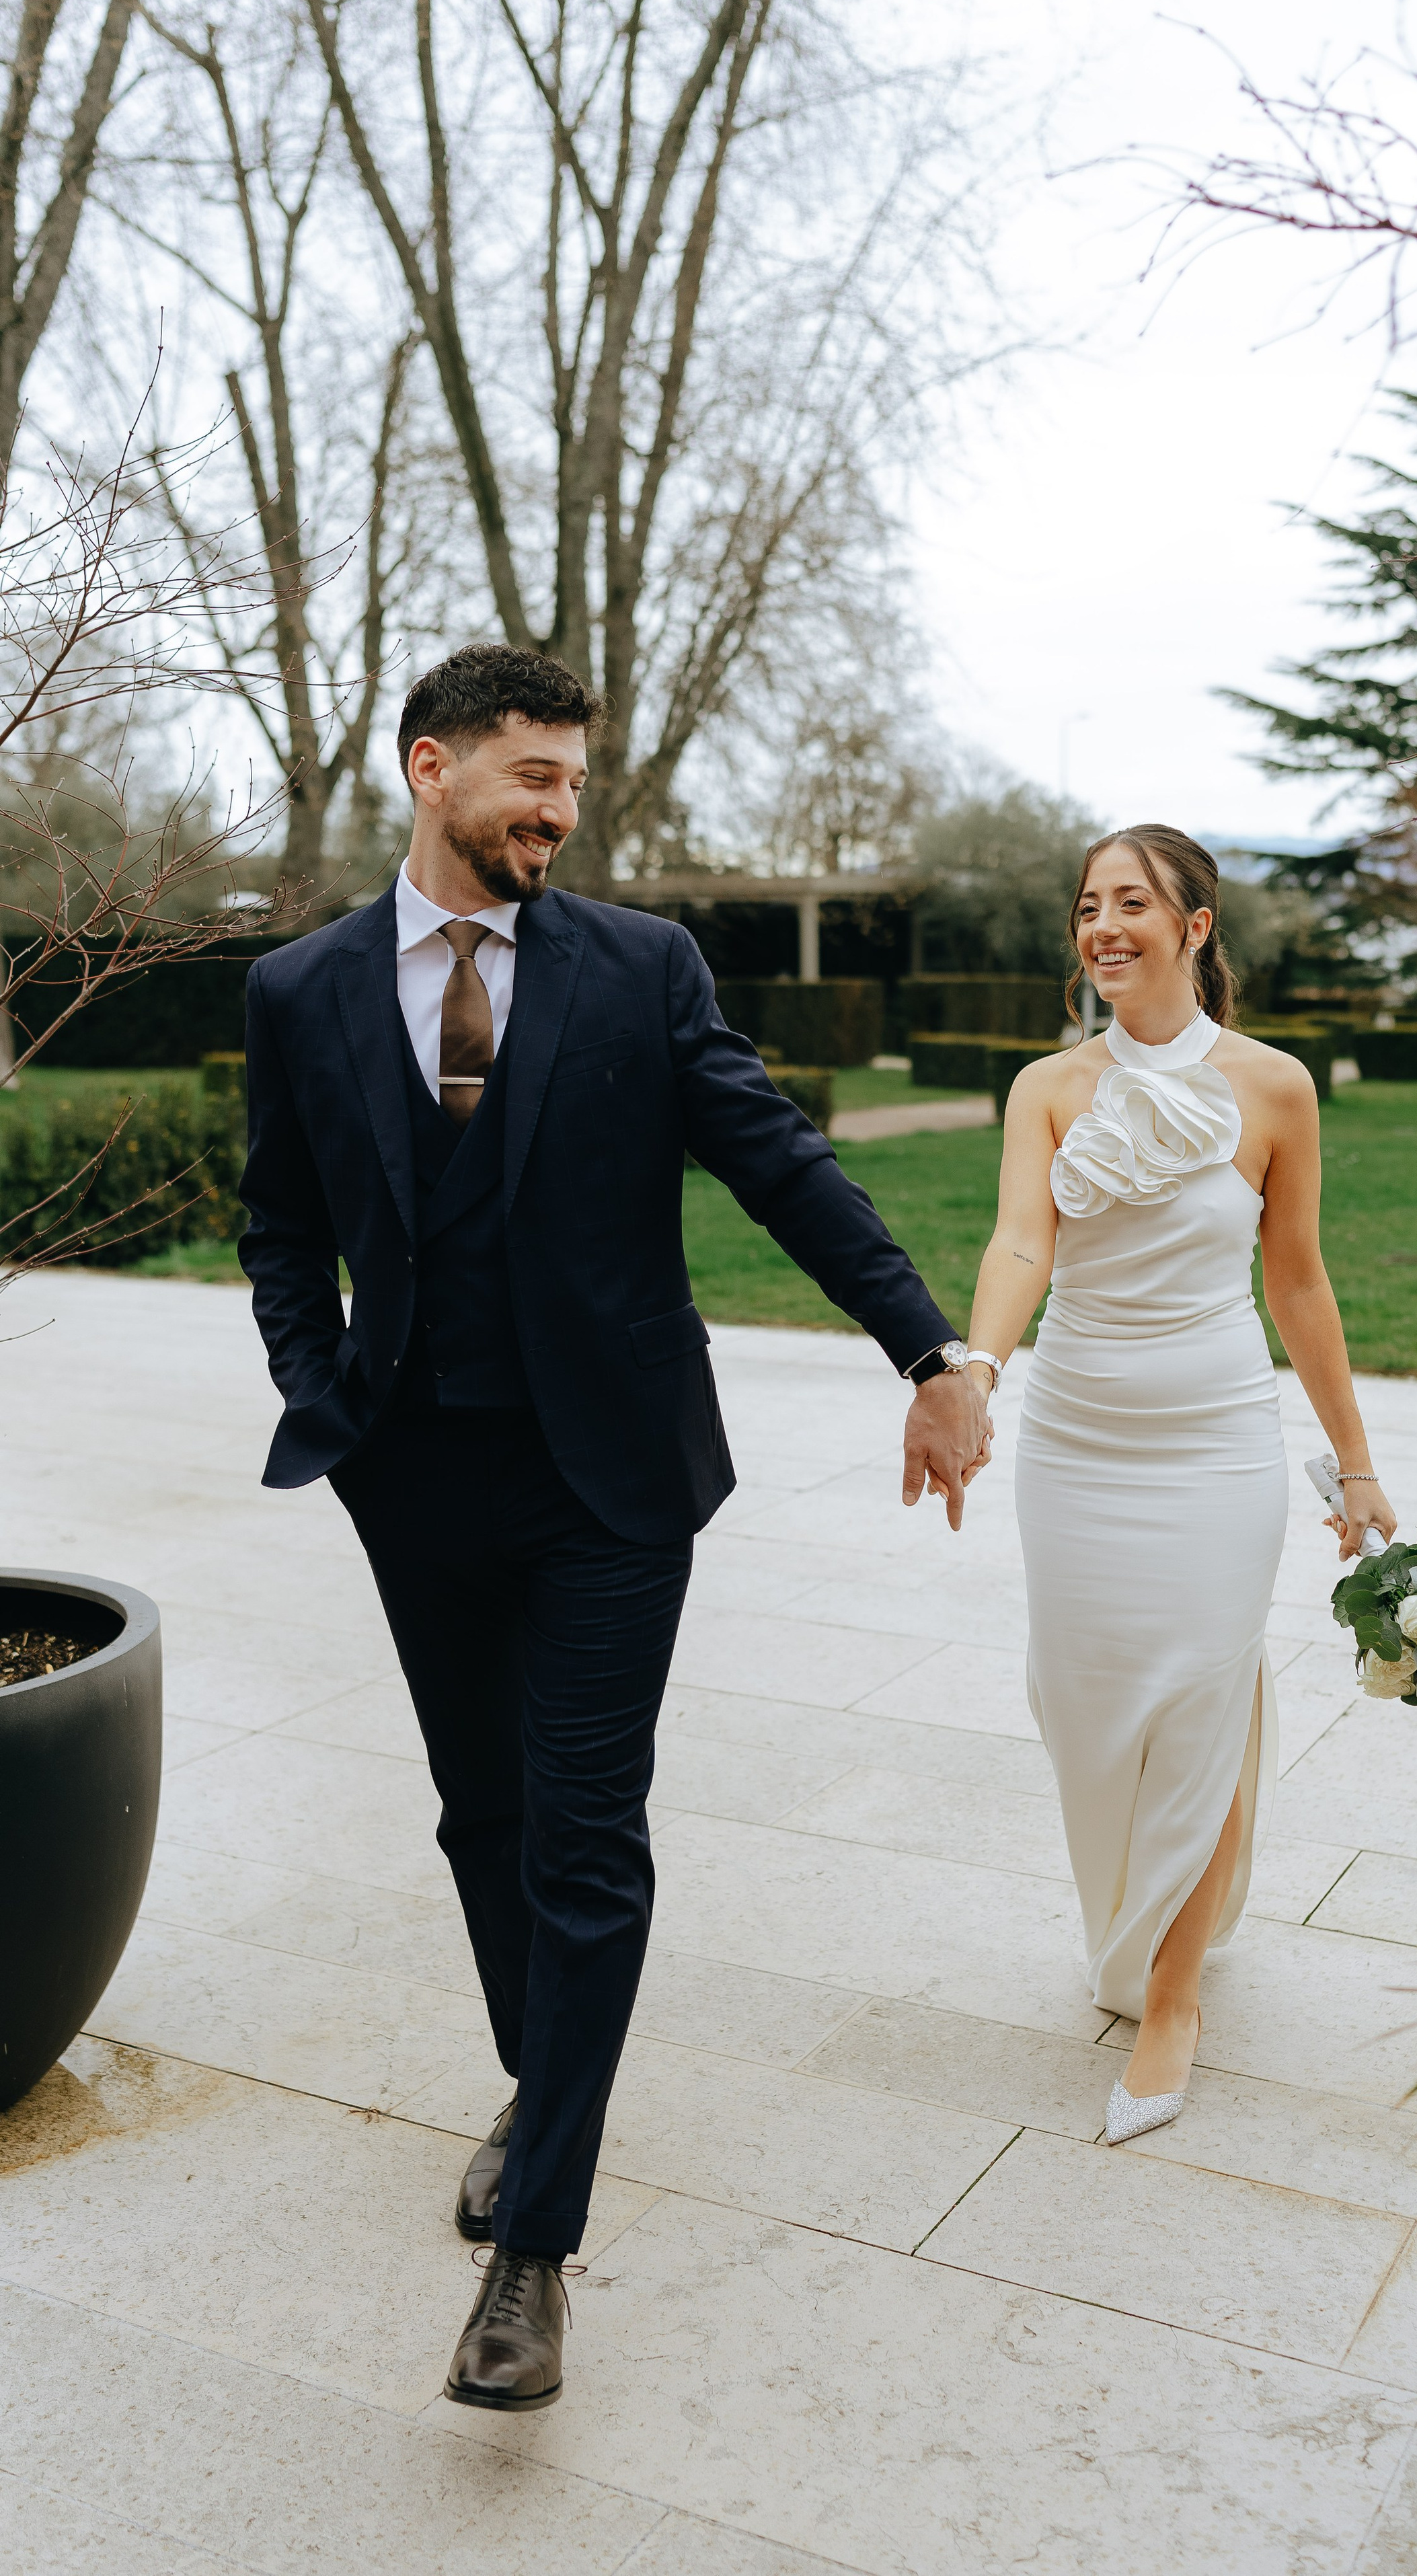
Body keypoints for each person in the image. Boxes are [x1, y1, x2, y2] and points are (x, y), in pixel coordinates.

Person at [238, 644, 990, 2409]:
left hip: (613, 1483)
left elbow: (780, 1160)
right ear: (431, 768)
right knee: (479, 1817)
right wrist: (320, 1380)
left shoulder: (641, 972)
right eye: (531, 780)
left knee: (585, 1839)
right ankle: (542, 2078)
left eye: (576, 784)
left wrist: (927, 1345)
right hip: (413, 1470)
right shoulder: (299, 987)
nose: (561, 814)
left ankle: (534, 2256)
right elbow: (276, 1214)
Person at [962, 824, 1395, 2146]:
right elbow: (1022, 1239)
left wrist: (1356, 1465)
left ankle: (1172, 1991)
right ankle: (1137, 1919)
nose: (1104, 928)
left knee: (1204, 1694)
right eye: (1087, 905)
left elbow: (1298, 1281)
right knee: (1082, 1705)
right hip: (1075, 1445)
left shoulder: (1273, 1090)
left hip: (1214, 1441)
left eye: (1132, 904)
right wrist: (972, 1372)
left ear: (1195, 925)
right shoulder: (1044, 1088)